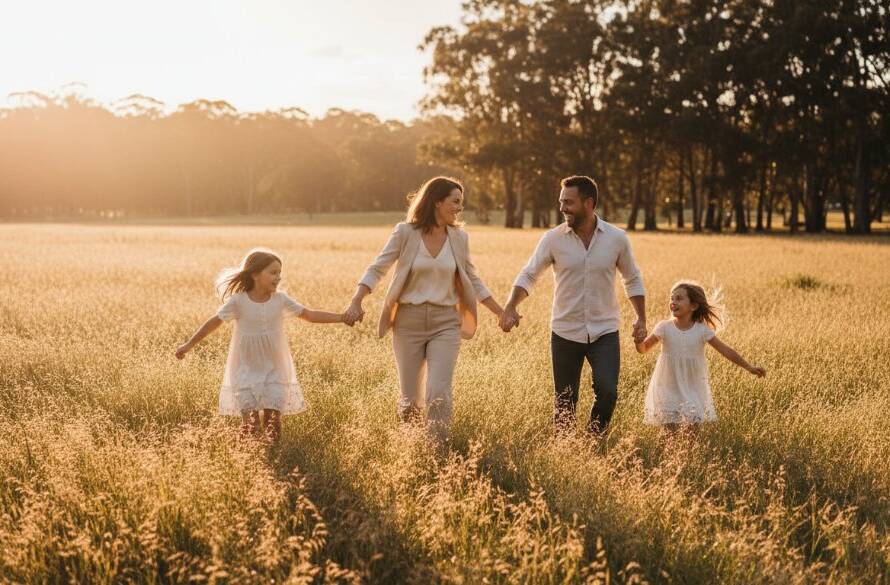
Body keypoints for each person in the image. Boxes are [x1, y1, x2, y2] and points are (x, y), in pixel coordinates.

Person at [343, 176, 503, 443]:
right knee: (409, 399)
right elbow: (378, 267)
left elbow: (472, 279)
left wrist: (500, 312)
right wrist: (357, 300)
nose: (459, 208)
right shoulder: (406, 233)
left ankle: (436, 450)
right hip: (408, 321)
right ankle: (411, 448)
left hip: (446, 322)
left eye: (461, 203)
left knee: (439, 392)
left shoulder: (459, 238)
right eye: (455, 201)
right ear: (437, 201)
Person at [500, 175, 646, 436]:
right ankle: (566, 451)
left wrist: (641, 318)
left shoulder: (616, 238)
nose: (562, 208)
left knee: (608, 391)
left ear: (588, 203)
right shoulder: (553, 239)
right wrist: (511, 306)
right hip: (565, 331)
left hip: (605, 331)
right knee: (565, 401)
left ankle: (591, 442)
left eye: (568, 202)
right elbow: (529, 274)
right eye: (561, 202)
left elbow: (632, 278)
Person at [175, 248, 346, 443]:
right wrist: (188, 344)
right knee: (251, 425)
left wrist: (342, 318)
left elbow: (310, 315)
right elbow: (214, 322)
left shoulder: (281, 300)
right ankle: (245, 461)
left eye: (280, 273)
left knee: (273, 422)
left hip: (276, 369)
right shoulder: (238, 301)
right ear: (255, 274)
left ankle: (275, 458)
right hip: (244, 370)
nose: (278, 277)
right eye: (273, 272)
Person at [635, 281, 766, 428]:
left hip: (693, 389)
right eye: (671, 298)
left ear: (694, 306)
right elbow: (644, 348)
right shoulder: (664, 327)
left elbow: (726, 351)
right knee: (668, 435)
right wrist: (638, 341)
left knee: (691, 433)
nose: (673, 302)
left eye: (679, 298)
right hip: (668, 388)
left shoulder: (701, 331)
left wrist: (749, 367)